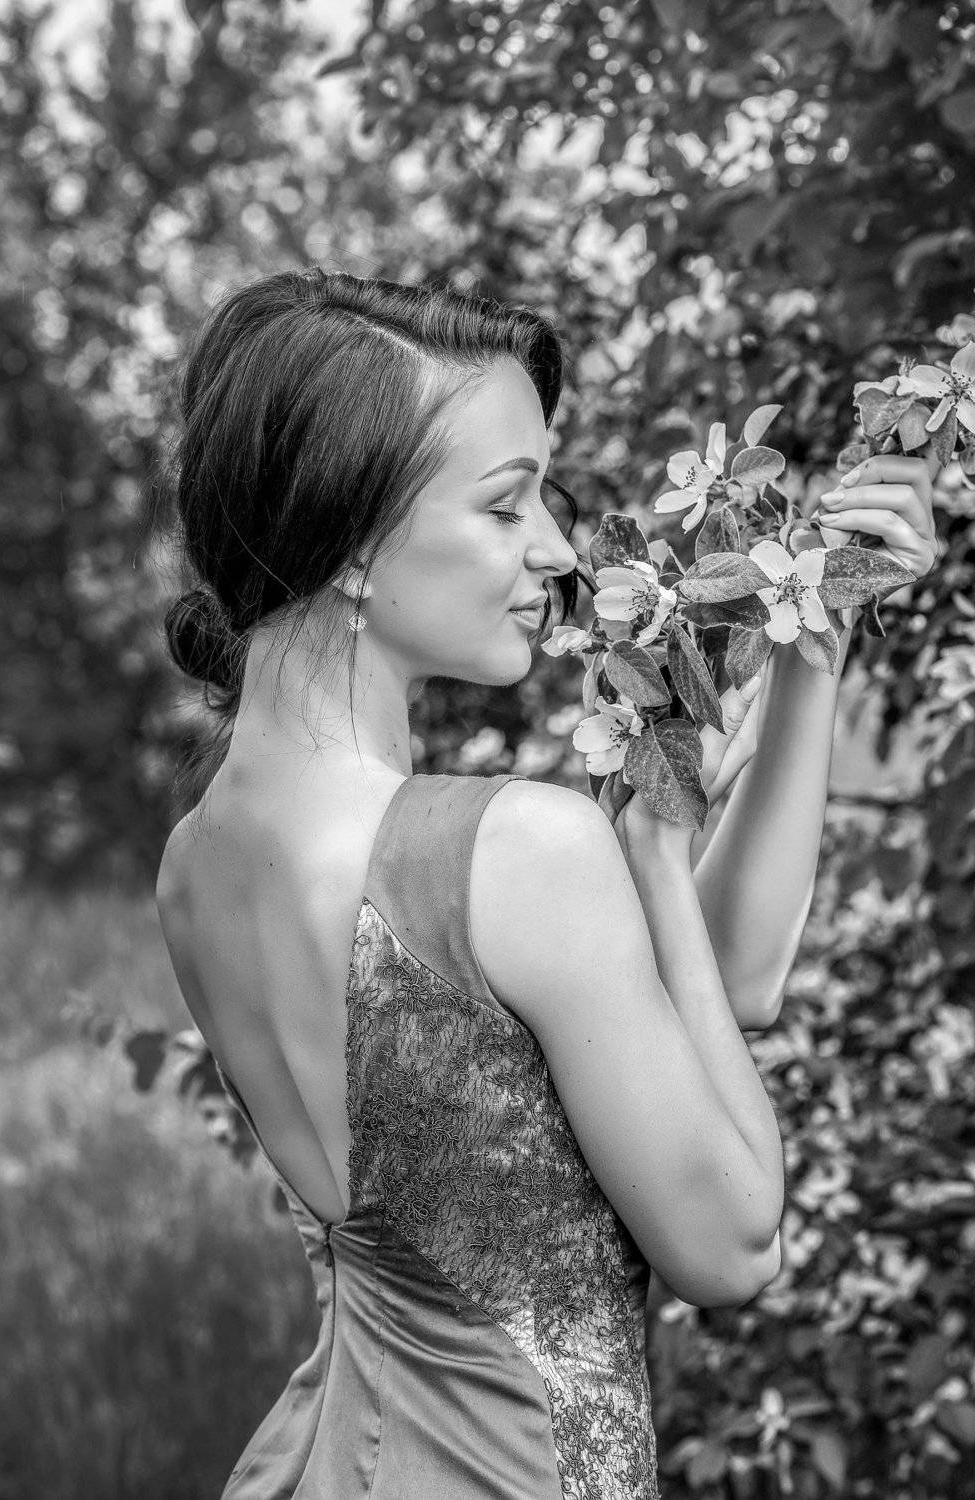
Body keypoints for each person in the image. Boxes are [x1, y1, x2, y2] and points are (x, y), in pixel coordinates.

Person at [154, 268, 939, 1499]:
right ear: (351, 536)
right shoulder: (514, 848)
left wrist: (810, 653)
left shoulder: (194, 860)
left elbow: (719, 991)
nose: (559, 551)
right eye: (504, 504)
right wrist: (654, 860)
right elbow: (734, 1242)